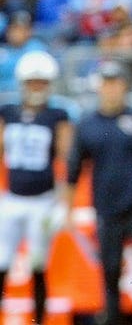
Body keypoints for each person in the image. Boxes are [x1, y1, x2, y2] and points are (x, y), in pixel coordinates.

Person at [65, 60, 132, 325]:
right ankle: (114, 319)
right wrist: (67, 210)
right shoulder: (88, 123)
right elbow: (73, 170)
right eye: (107, 83)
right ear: (100, 87)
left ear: (124, 86)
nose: (111, 89)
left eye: (116, 83)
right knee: (110, 269)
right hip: (107, 207)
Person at [0, 50, 72, 325]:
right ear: (23, 83)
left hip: (42, 200)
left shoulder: (57, 116)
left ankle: (39, 321)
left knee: (38, 266)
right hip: (11, 199)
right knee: (1, 261)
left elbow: (67, 158)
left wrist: (63, 203)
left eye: (42, 82)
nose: (37, 87)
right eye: (33, 82)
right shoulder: (7, 113)